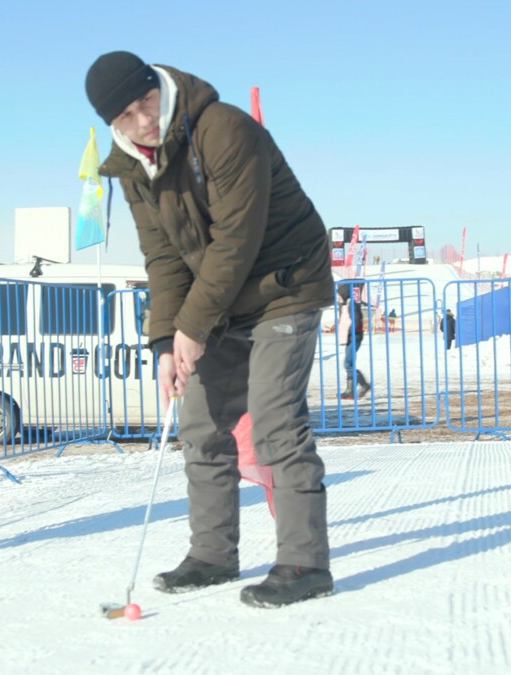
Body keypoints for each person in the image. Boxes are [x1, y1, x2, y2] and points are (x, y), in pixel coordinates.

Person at [87, 52, 334, 607]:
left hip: (284, 284)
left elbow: (235, 241)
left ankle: (304, 562)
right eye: (126, 115)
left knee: (274, 420)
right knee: (198, 423)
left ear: (159, 87)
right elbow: (164, 258)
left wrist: (192, 329)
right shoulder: (130, 165)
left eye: (145, 101)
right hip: (222, 297)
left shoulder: (223, 128)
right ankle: (213, 555)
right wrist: (163, 343)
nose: (143, 120)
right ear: (112, 124)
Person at [337, 285, 371, 399]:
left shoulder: (352, 305)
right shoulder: (345, 304)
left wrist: (349, 332)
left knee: (348, 363)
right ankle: (352, 389)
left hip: (354, 336)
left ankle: (362, 386)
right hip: (349, 336)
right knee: (349, 363)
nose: (338, 296)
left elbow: (355, 322)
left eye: (339, 293)